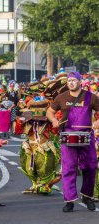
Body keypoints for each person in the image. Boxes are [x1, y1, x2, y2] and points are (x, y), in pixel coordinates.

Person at [46, 71, 99, 212]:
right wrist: (54, 120)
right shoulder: (61, 97)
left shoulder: (91, 97)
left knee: (90, 167)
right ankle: (69, 200)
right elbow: (49, 112)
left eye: (74, 80)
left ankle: (87, 196)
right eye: (69, 80)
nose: (71, 83)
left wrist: (97, 122)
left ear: (80, 82)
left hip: (86, 136)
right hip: (67, 136)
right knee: (69, 168)